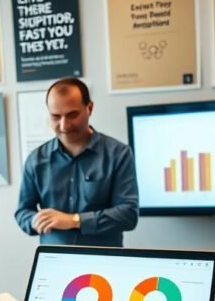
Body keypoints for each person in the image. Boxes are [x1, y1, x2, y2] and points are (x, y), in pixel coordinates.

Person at [15, 77, 138, 246]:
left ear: (90, 108)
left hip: (103, 262)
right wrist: (35, 220)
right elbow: (22, 212)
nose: (64, 125)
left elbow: (128, 215)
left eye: (72, 115)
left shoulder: (119, 154)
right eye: (56, 117)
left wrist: (74, 220)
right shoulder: (35, 160)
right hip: (55, 262)